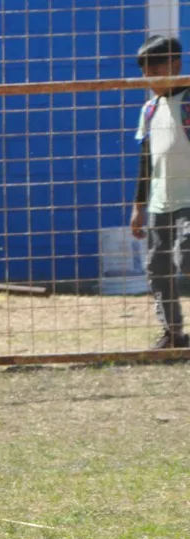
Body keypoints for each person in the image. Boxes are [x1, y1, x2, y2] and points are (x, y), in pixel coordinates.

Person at [131, 34, 190, 349]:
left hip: (189, 202)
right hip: (158, 203)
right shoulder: (150, 110)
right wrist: (138, 205)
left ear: (176, 64)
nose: (150, 79)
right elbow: (146, 160)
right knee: (158, 269)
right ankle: (174, 334)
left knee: (187, 258)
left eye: (156, 70)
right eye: (146, 73)